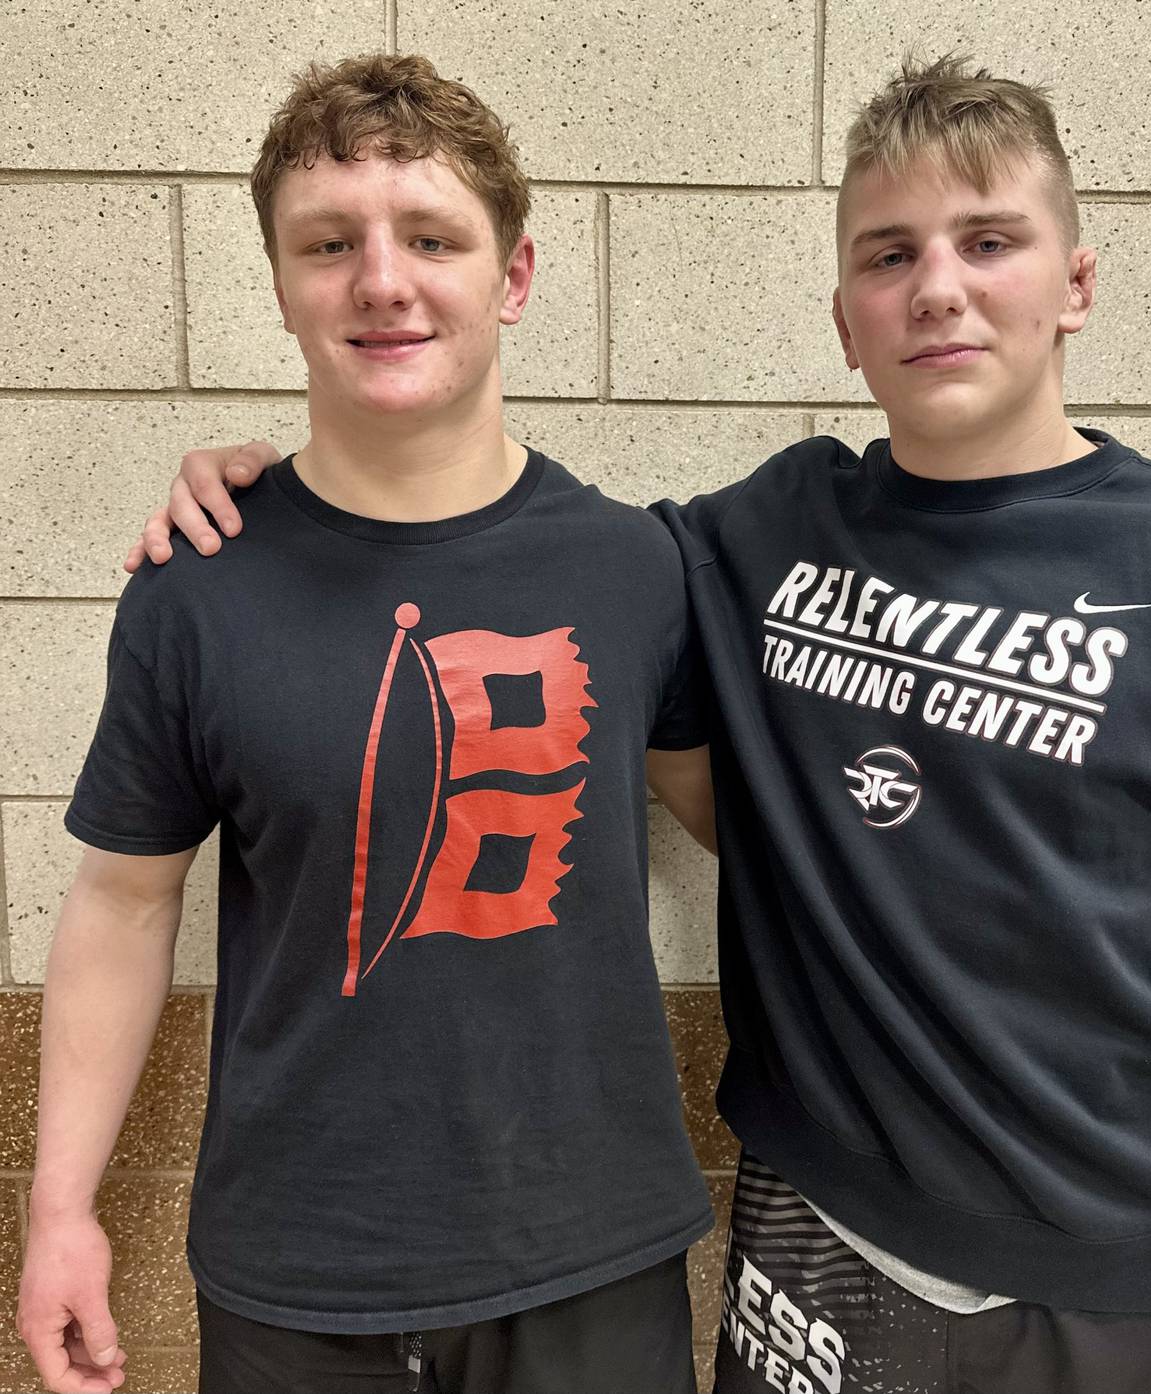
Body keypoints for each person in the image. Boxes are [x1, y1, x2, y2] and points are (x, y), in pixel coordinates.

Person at [122, 54, 1151, 1394]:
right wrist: (271, 494)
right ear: (843, 319)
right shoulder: (757, 537)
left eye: (990, 241)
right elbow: (501, 550)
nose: (939, 286)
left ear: (1076, 284)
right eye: (889, 254)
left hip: (1104, 1275)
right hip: (810, 1236)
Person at [16, 53, 721, 1394]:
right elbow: (120, 902)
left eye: (431, 238)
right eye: (329, 243)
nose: (382, 281)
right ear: (281, 282)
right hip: (299, 1275)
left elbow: (756, 824)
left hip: (590, 1261)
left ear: (512, 275)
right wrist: (61, 1209)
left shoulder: (639, 567)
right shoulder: (197, 588)